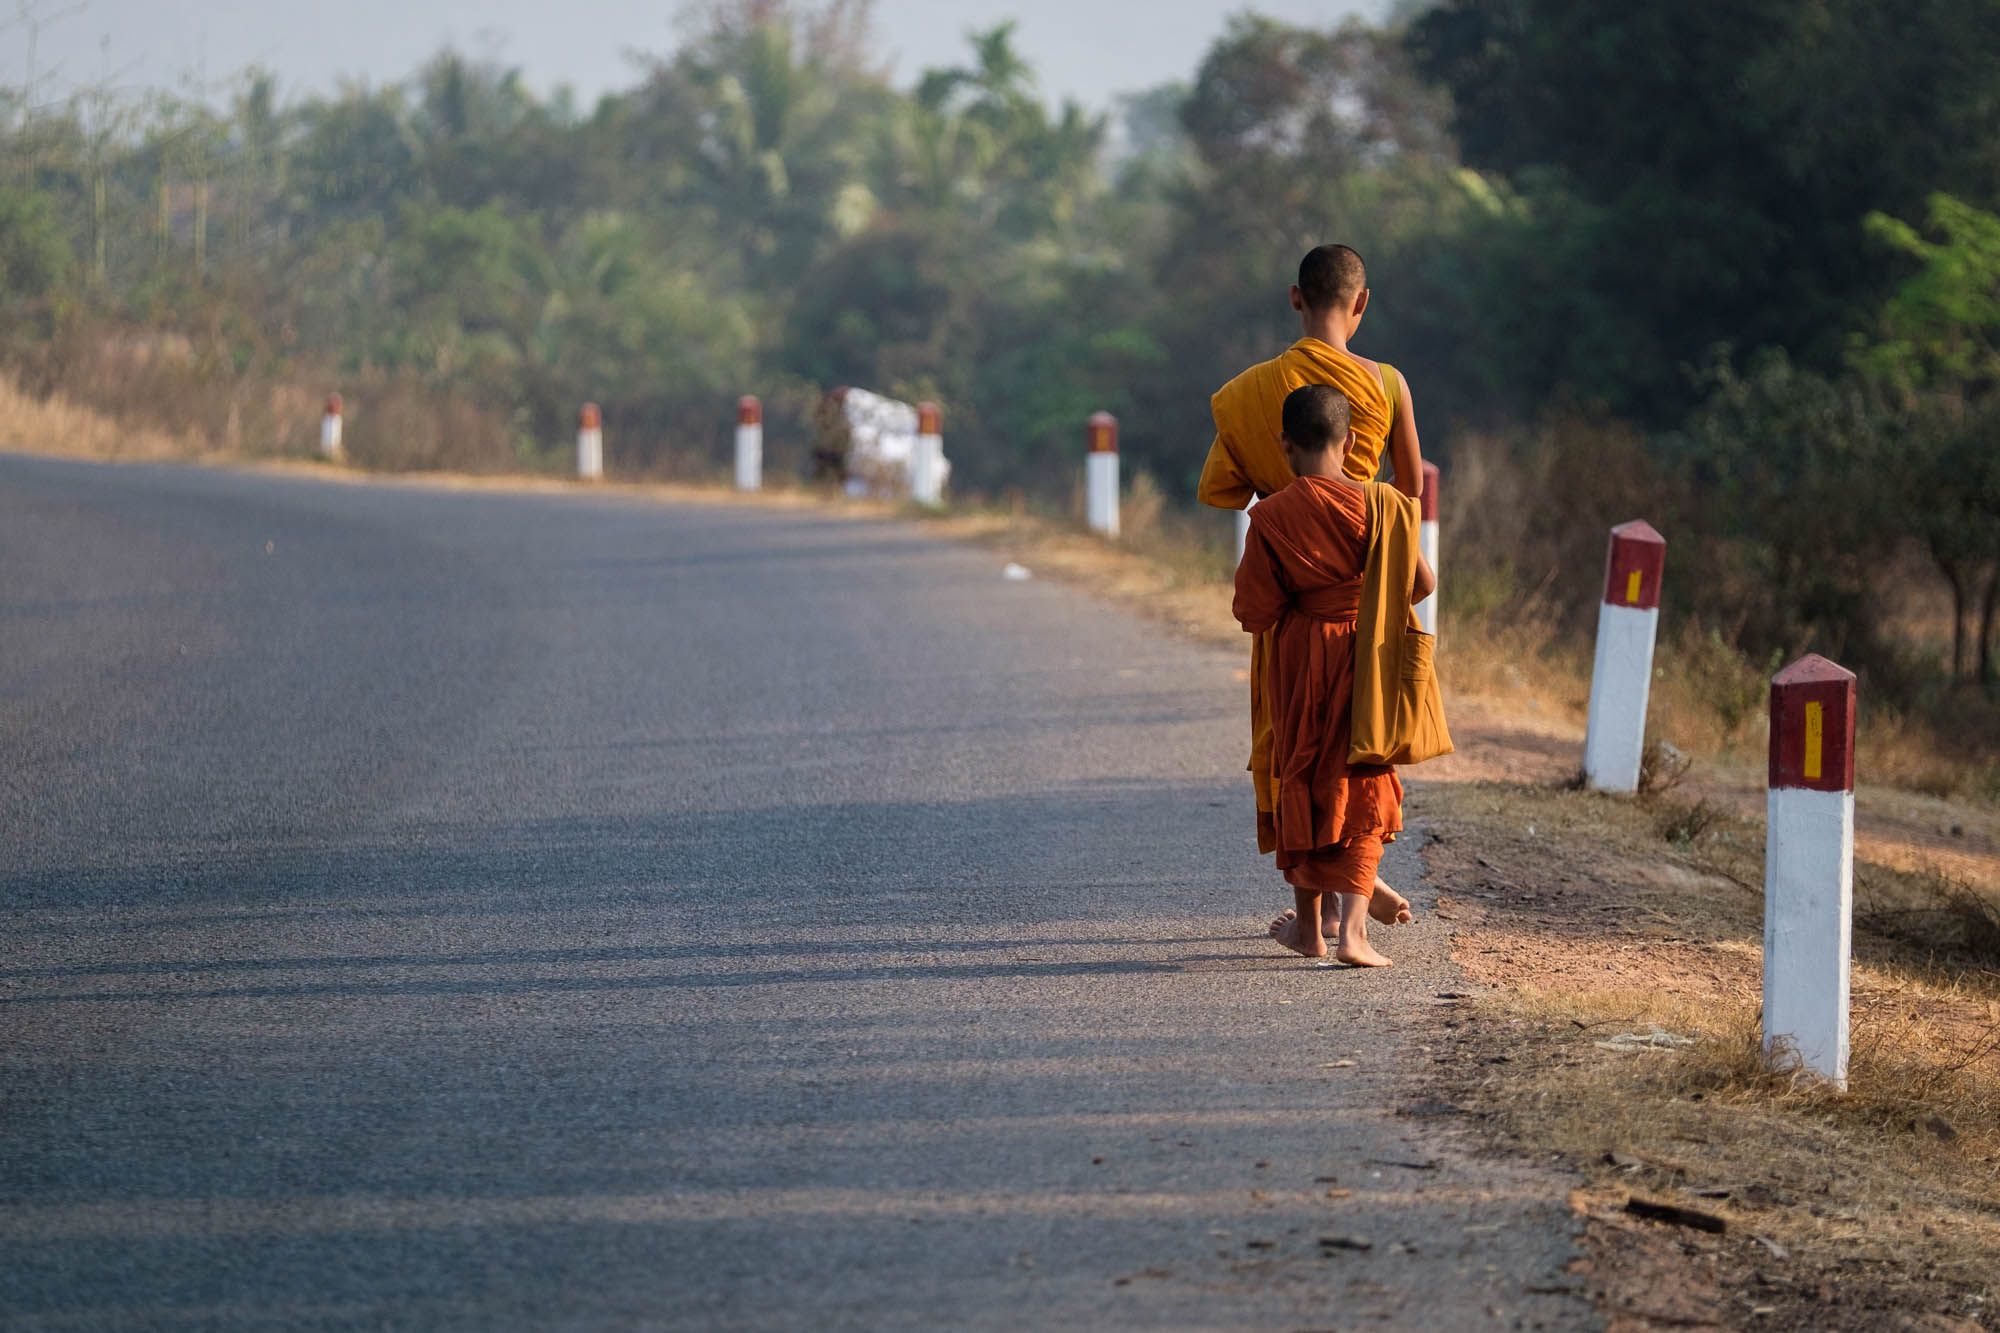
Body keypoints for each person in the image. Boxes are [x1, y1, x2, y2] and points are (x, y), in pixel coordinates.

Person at [1199, 244, 1425, 919]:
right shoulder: (1387, 384)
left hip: (1296, 604)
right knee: (1357, 747)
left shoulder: (1251, 392)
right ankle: (1348, 885)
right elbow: (1410, 492)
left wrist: (1290, 502)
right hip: (1365, 602)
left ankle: (1320, 899)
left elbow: (1222, 485)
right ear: (1361, 303)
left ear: (1295, 298)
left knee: (1296, 741)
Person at [1232, 384, 1435, 966]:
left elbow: (1255, 612)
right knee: (1365, 777)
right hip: (1370, 656)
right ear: (1349, 442)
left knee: (1303, 772)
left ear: (1286, 445)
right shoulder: (1388, 506)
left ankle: (1308, 930)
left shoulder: (1270, 517)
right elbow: (1420, 585)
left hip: (1300, 659)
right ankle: (1352, 934)